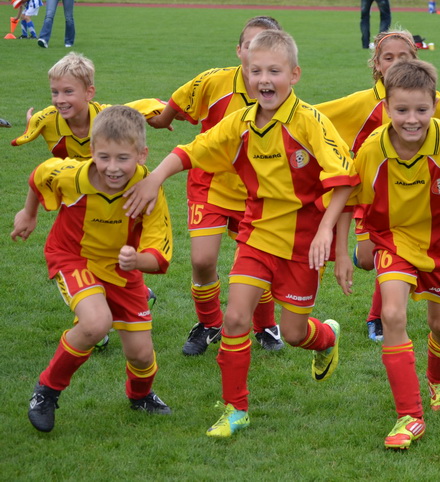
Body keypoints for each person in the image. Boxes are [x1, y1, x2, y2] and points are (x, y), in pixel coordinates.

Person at [123, 29, 359, 438]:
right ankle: (236, 409)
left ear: (294, 74)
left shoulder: (309, 122)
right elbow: (192, 150)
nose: (264, 79)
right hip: (257, 235)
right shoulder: (241, 123)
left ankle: (325, 339)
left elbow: (345, 179)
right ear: (246, 73)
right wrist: (155, 178)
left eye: (274, 71)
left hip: (302, 243)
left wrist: (328, 233)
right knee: (234, 319)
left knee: (295, 333)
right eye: (256, 71)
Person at [316, 28, 440, 342]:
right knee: (367, 259)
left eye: (404, 57)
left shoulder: (426, 99)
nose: (396, 63)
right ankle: (364, 261)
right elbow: (315, 118)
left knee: (390, 257)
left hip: (415, 201)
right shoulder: (363, 103)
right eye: (388, 57)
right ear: (377, 64)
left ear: (415, 60)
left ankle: (378, 318)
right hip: (373, 197)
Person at [345, 58, 440, 449]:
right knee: (392, 314)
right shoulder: (372, 148)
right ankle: (409, 416)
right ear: (387, 107)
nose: (412, 119)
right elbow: (351, 197)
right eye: (402, 110)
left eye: (422, 110)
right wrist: (345, 250)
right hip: (394, 240)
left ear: (435, 106)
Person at [11, 105, 174, 433]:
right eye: (104, 157)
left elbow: (160, 255)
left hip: (123, 271)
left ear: (142, 154)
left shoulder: (148, 190)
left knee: (142, 355)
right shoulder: (71, 175)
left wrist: (136, 260)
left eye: (123, 158)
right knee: (96, 323)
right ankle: (47, 390)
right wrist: (29, 214)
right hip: (73, 257)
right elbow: (40, 175)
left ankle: (140, 396)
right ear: (91, 151)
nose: (112, 168)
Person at [146, 16, 284, 356]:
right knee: (202, 260)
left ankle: (265, 325)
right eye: (250, 46)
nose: (256, 54)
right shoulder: (213, 82)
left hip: (256, 192)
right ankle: (209, 323)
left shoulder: (280, 94)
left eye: (265, 47)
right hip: (209, 185)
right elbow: (174, 106)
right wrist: (157, 118)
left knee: (255, 264)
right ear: (239, 50)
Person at [11, 52, 168, 163]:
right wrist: (33, 121)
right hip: (74, 189)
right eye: (55, 92)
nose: (60, 100)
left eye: (68, 91)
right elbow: (35, 122)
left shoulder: (106, 116)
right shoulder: (46, 119)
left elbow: (139, 107)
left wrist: (165, 113)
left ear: (89, 93)